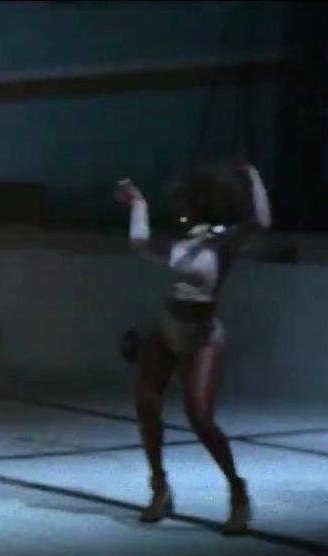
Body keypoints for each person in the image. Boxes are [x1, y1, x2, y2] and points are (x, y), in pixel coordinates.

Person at [116, 160, 272, 536]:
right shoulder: (182, 244)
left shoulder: (224, 244)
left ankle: (237, 491)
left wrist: (253, 177)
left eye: (186, 204)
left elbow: (261, 222)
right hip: (167, 327)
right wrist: (138, 204)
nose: (181, 211)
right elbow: (140, 244)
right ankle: (159, 487)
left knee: (200, 418)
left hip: (201, 336)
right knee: (146, 406)